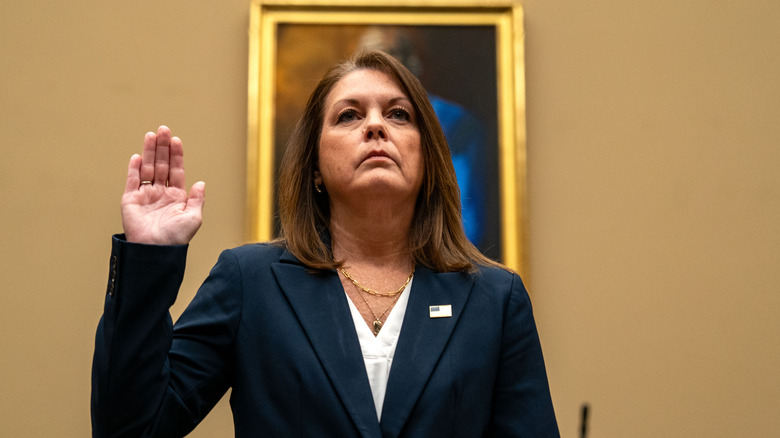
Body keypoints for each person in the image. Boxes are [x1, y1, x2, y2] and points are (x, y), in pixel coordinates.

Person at [91, 50, 559, 437]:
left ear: (428, 156)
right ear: (315, 166)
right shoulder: (249, 281)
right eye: (349, 115)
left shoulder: (495, 300)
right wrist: (149, 258)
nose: (376, 127)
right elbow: (131, 429)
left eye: (398, 114)